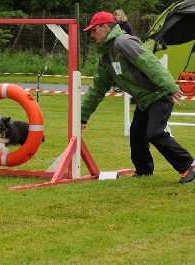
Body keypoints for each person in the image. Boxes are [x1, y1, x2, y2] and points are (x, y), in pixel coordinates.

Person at [81, 11, 195, 184]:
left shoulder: (124, 42)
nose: (91, 34)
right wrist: (82, 117)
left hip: (159, 95)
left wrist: (170, 87)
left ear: (105, 27)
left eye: (94, 30)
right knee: (136, 133)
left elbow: (149, 62)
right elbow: (97, 88)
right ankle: (143, 171)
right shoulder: (106, 56)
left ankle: (189, 165)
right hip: (145, 100)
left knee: (155, 133)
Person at [112, 9, 133, 92]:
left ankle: (122, 85)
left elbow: (131, 36)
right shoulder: (113, 26)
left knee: (123, 67)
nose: (116, 16)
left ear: (122, 16)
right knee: (116, 66)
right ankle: (115, 84)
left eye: (118, 15)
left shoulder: (126, 25)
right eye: (115, 15)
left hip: (124, 48)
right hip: (115, 49)